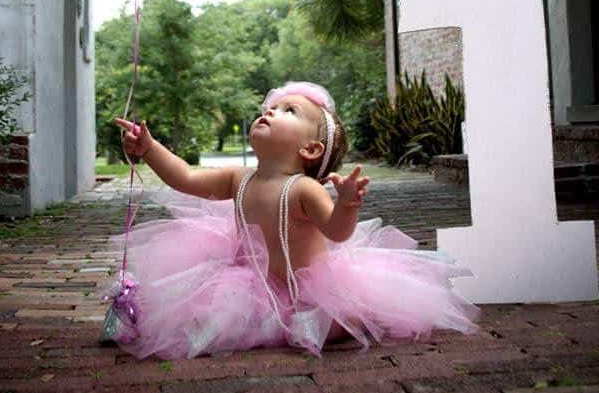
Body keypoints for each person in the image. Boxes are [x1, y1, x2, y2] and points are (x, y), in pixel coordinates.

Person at [101, 80, 481, 359]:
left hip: (308, 288)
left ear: (311, 148)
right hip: (251, 284)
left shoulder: (302, 189)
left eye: (289, 111)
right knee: (210, 317)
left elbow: (337, 231)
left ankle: (347, 317)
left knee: (334, 318)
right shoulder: (238, 178)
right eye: (270, 108)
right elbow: (184, 177)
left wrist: (347, 204)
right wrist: (149, 149)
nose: (269, 111)